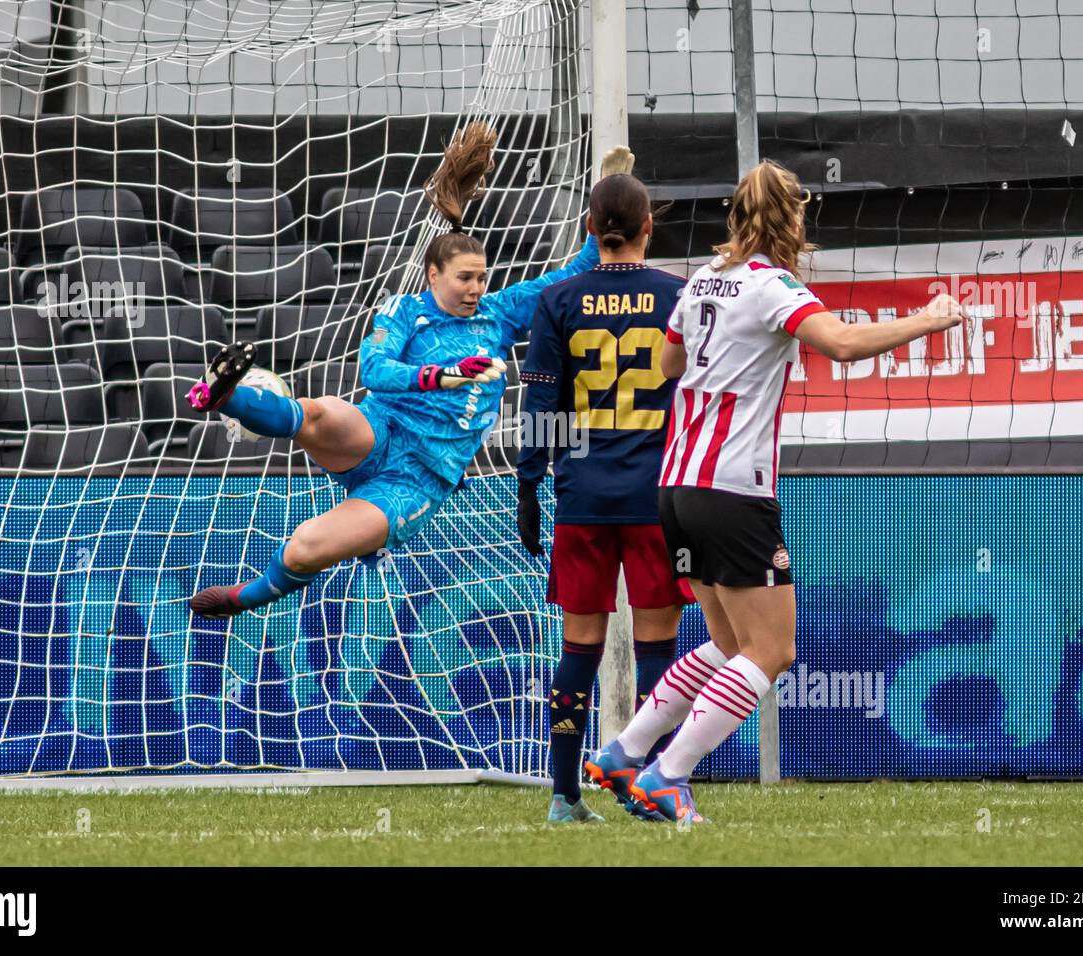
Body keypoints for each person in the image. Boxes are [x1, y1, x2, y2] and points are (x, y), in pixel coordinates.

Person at [586, 159, 965, 822]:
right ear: (792, 219)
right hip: (733, 490)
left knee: (733, 645)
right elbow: (842, 345)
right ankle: (668, 775)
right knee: (774, 650)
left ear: (735, 215)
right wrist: (929, 320)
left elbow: (669, 363)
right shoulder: (769, 285)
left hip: (676, 486)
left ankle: (625, 749)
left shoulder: (703, 279)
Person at [185, 125, 626, 619]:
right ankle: (223, 397)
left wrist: (602, 215)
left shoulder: (498, 314)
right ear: (433, 275)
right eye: (464, 278)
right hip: (380, 429)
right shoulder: (404, 311)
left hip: (418, 478)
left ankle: (244, 598)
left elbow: (571, 275)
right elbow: (373, 369)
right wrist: (442, 376)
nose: (475, 287)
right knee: (323, 414)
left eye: (481, 277)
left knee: (306, 546)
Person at [516, 170, 689, 823]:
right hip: (657, 498)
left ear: (590, 230)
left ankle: (564, 795)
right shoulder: (678, 295)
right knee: (658, 654)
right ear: (650, 226)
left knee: (578, 652)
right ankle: (655, 787)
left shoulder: (559, 301)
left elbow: (543, 402)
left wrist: (531, 485)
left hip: (583, 495)